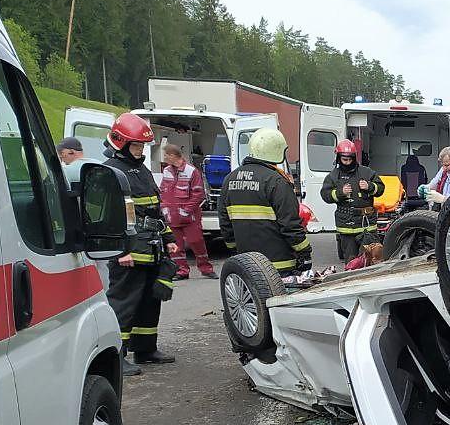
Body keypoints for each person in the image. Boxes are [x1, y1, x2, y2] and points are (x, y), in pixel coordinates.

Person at [103, 112, 179, 375]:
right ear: (121, 142)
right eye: (136, 145)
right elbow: (108, 217)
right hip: (128, 252)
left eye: (142, 146)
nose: (140, 150)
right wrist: (120, 251)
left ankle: (145, 349)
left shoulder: (140, 170)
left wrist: (168, 238)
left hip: (150, 247)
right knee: (124, 304)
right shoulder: (110, 171)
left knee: (149, 301)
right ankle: (117, 356)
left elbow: (154, 209)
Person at [218, 127, 312, 277]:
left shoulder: (229, 179)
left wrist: (235, 250)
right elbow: (290, 224)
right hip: (279, 264)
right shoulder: (276, 181)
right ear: (276, 151)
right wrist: (304, 251)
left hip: (247, 265)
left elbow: (225, 223)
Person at [319, 139, 385, 265]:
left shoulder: (367, 172)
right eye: (344, 159)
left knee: (371, 260)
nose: (348, 162)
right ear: (338, 158)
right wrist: (340, 193)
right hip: (346, 226)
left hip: (367, 225)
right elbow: (325, 195)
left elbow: (381, 188)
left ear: (354, 158)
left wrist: (370, 186)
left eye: (350, 159)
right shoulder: (333, 176)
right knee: (351, 262)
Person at [158, 144, 214, 279]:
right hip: (172, 216)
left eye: (166, 155)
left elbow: (198, 194)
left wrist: (186, 210)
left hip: (190, 217)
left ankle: (206, 269)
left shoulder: (191, 171)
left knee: (196, 242)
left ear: (173, 156)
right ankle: (181, 271)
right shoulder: (167, 171)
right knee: (176, 246)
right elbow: (163, 191)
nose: (164, 158)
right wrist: (164, 208)